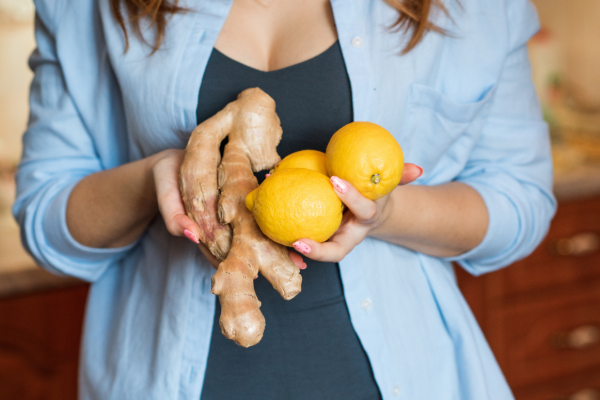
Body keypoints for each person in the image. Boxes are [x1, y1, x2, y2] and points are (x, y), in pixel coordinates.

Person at [13, 0, 555, 399]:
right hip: (157, 380)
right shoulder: (85, 9)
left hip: (406, 378)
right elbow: (46, 222)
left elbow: (520, 203)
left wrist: (385, 212)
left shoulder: (482, 9)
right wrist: (161, 175)